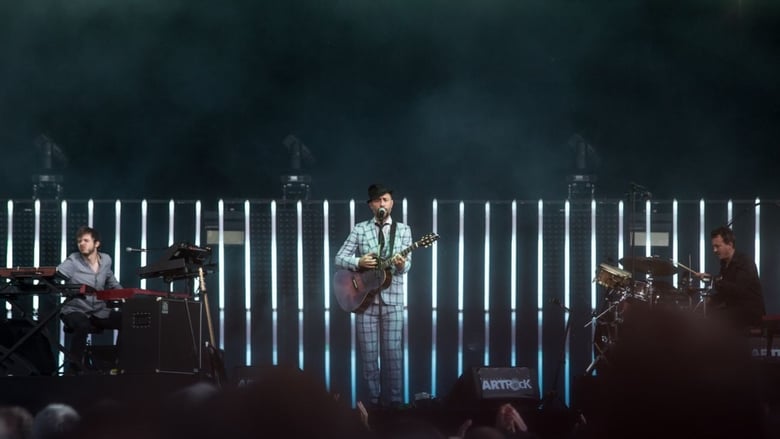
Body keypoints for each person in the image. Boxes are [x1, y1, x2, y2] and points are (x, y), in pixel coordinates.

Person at [335, 183, 412, 409]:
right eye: (378, 200)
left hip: (393, 301)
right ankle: (374, 401)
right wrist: (358, 261)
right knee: (369, 355)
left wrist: (401, 264)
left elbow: (407, 267)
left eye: (385, 199)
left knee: (393, 353)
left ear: (392, 203)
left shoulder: (403, 230)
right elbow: (339, 257)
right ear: (371, 205)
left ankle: (395, 401)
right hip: (364, 300)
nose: (382, 203)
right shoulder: (360, 229)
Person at [56, 225, 122, 375]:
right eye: (79, 241)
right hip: (75, 310)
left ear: (96, 243)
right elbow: (57, 275)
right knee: (82, 324)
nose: (81, 244)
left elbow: (112, 282)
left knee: (127, 320)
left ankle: (118, 363)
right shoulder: (73, 260)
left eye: (86, 240)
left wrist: (126, 295)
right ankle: (74, 369)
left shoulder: (106, 260)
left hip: (98, 311)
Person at [697, 225, 766, 330]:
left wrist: (713, 279)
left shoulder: (745, 262)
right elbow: (725, 292)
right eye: (713, 247)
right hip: (736, 309)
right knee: (705, 313)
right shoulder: (724, 264)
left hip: (749, 312)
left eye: (717, 246)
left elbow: (738, 290)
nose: (714, 250)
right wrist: (710, 300)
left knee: (715, 318)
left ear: (729, 244)